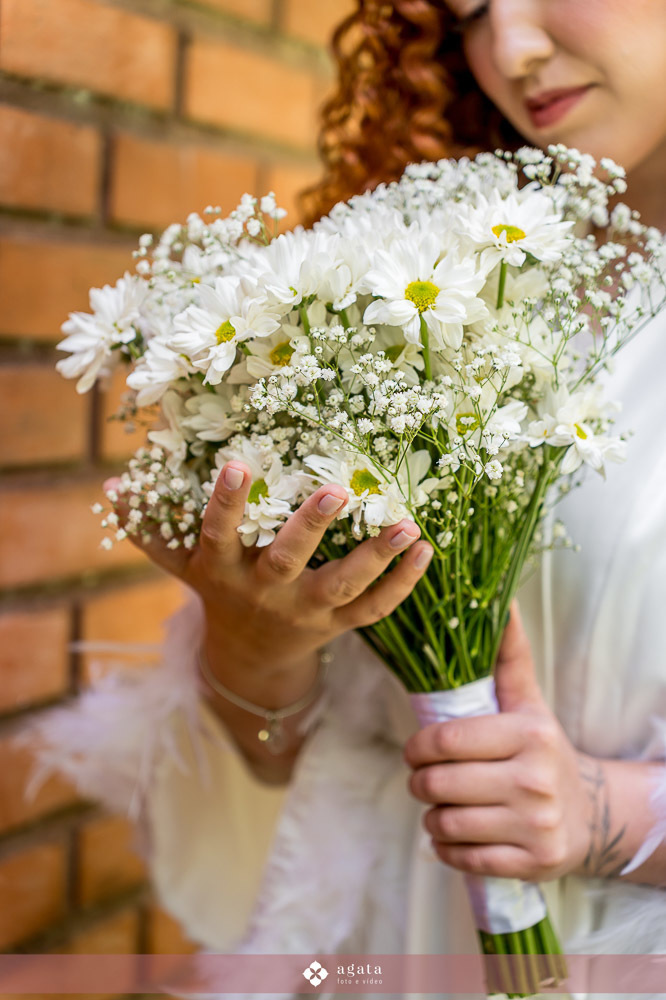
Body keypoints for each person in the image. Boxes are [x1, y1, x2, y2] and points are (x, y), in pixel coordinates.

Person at [31, 0, 666, 997]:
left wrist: (609, 813)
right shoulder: (415, 282)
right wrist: (258, 644)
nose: (511, 51)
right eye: (466, 15)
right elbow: (295, 770)